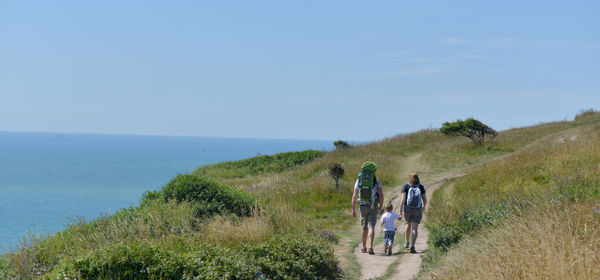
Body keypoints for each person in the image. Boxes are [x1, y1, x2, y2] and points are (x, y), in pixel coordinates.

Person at [352, 162, 384, 255]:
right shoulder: (377, 181)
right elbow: (381, 195)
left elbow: (354, 196)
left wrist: (353, 209)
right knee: (371, 226)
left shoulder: (359, 180)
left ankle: (363, 247)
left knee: (364, 227)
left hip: (362, 206)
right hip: (373, 205)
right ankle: (370, 246)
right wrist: (380, 206)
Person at [399, 173, 427, 254]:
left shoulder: (406, 186)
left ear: (409, 179)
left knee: (408, 224)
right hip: (417, 209)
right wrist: (424, 206)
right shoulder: (420, 187)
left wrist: (400, 211)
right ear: (418, 178)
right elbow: (424, 199)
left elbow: (403, 199)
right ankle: (412, 246)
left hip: (407, 208)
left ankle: (406, 242)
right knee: (414, 228)